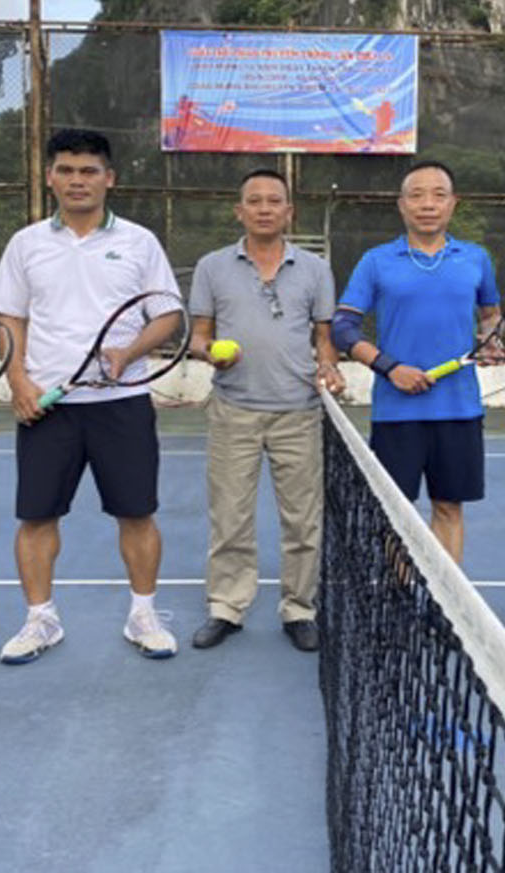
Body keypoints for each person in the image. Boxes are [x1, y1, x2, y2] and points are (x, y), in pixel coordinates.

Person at [0, 128, 181, 664]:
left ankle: (143, 615)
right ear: (51, 177)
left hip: (123, 403)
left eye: (89, 171)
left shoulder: (139, 242)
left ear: (108, 179)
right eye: (67, 170)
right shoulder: (26, 243)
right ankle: (40, 620)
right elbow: (8, 318)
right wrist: (18, 381)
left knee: (137, 514)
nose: (78, 180)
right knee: (36, 518)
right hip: (48, 407)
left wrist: (128, 351)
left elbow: (167, 315)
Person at [186, 168, 345, 653]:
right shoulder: (212, 267)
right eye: (253, 201)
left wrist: (329, 368)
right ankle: (226, 607)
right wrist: (211, 354)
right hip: (233, 410)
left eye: (273, 201)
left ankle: (299, 609)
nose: (264, 208)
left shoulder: (315, 269)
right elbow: (198, 337)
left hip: (299, 412)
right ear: (239, 211)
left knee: (303, 521)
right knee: (230, 516)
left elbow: (324, 339)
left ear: (288, 212)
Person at [330, 160, 501, 563]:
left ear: (453, 203)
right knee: (396, 514)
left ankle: (445, 597)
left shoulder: (475, 258)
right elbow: (343, 328)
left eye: (438, 195)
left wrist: (490, 338)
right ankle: (400, 594)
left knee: (449, 508)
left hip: (460, 410)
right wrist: (391, 368)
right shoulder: (376, 261)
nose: (427, 204)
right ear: (402, 204)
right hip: (396, 413)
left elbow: (491, 314)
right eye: (417, 195)